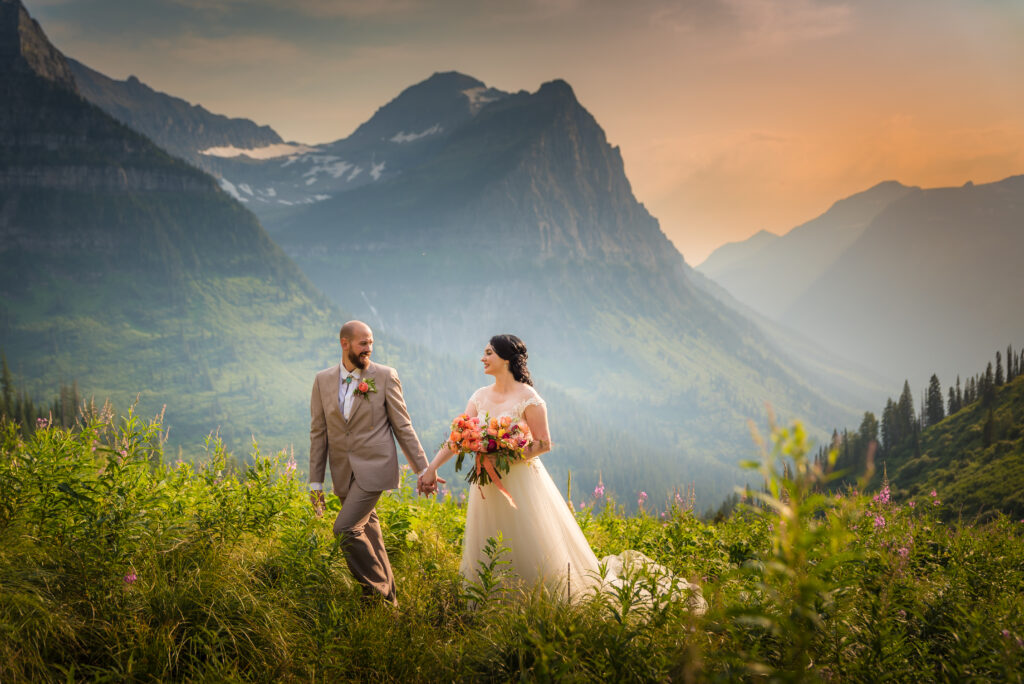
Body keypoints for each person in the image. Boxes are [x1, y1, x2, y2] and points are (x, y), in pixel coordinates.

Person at [417, 334, 707, 612]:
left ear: (505, 359)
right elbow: (458, 437)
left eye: (488, 352)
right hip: (486, 485)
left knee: (528, 539)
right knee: (490, 537)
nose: (482, 358)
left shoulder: (529, 397)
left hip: (520, 481)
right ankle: (489, 604)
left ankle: (537, 602)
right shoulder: (479, 396)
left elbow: (543, 444)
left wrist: (506, 454)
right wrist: (431, 469)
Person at [309, 320, 439, 607]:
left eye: (371, 343)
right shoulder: (322, 380)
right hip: (343, 472)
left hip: (375, 467)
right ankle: (391, 603)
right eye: (363, 343)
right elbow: (319, 433)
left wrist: (424, 469)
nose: (369, 348)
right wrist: (315, 482)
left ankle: (376, 594)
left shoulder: (384, 376)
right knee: (370, 534)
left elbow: (402, 426)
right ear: (345, 344)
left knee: (344, 529)